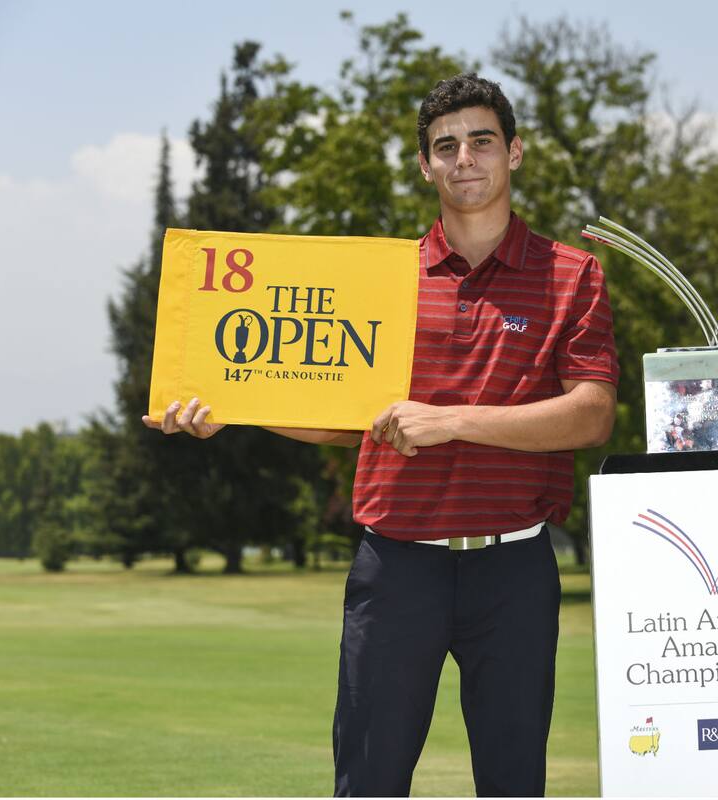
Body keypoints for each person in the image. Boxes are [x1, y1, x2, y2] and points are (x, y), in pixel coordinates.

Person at [144, 73, 619, 797]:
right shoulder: (383, 280)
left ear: (514, 153)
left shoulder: (573, 275)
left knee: (515, 783)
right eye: (445, 145)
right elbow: (342, 416)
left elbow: (591, 414)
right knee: (367, 781)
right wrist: (230, 406)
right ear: (424, 164)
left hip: (515, 569)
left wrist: (450, 420)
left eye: (482, 141)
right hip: (396, 567)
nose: (465, 158)